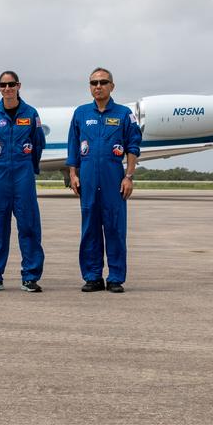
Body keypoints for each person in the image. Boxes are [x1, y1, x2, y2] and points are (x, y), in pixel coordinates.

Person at [66, 67, 141, 293]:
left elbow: (133, 146)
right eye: (94, 83)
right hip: (88, 180)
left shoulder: (124, 114)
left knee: (115, 228)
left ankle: (116, 277)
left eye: (103, 82)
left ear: (112, 86)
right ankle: (93, 277)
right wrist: (73, 174)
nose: (98, 86)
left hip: (113, 180)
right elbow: (73, 147)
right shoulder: (81, 113)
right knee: (89, 229)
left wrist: (128, 176)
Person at [0, 71, 45, 292]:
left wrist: (28, 166)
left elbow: (38, 143)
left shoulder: (31, 113)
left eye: (11, 84)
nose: (7, 88)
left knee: (28, 225)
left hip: (23, 174)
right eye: (3, 85)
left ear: (18, 86)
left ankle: (30, 276)